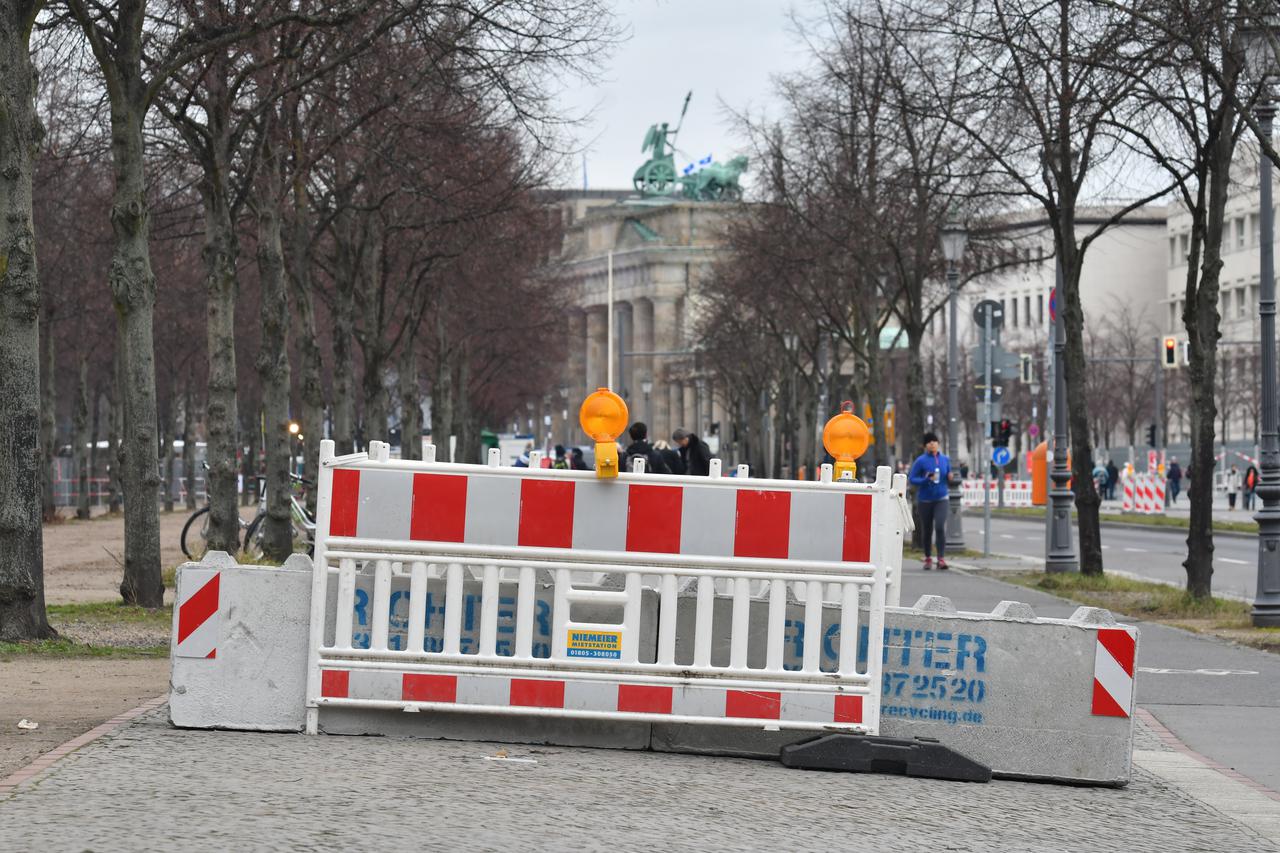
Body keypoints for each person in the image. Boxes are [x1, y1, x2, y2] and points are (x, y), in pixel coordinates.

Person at [907, 432, 951, 570]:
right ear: (925, 445)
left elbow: (949, 474)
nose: (932, 444)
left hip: (941, 498)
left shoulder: (945, 459)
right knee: (927, 530)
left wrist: (950, 477)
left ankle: (941, 559)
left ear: (938, 443)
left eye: (934, 441)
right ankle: (927, 558)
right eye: (929, 442)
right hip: (925, 500)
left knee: (939, 526)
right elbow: (912, 478)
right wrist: (926, 479)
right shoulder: (921, 461)